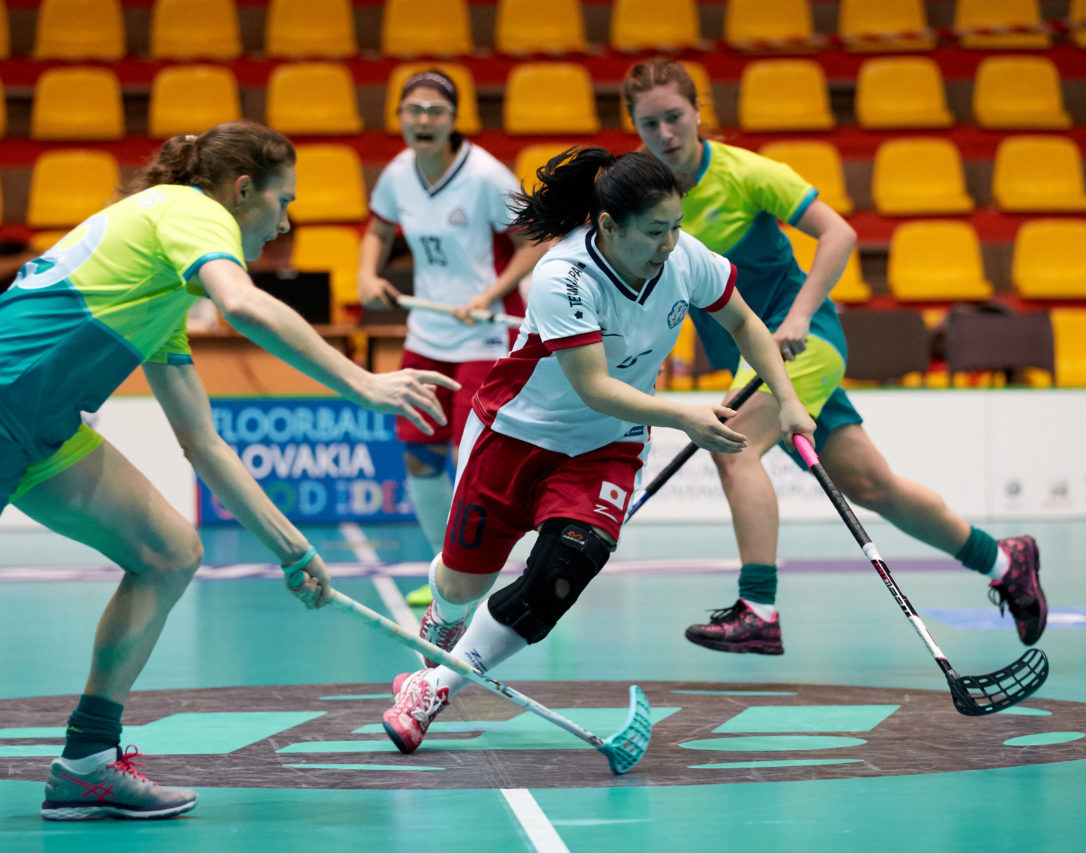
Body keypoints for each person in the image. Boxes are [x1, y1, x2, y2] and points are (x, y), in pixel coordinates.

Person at [0, 121, 460, 819]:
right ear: (243, 190)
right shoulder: (188, 208)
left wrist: (293, 550)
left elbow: (203, 443)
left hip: (40, 427)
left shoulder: (162, 288)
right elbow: (241, 303)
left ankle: (87, 761)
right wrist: (363, 383)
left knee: (167, 552)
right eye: (283, 202)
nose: (286, 224)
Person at [380, 146, 816, 752]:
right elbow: (595, 387)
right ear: (609, 225)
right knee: (460, 588)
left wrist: (788, 399)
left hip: (605, 447)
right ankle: (444, 621)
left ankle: (431, 689)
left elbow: (744, 323)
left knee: (560, 577)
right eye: (655, 231)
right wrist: (684, 417)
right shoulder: (562, 275)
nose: (670, 244)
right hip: (514, 436)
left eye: (676, 226)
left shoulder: (685, 258)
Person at [621, 58, 1047, 655]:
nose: (666, 134)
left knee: (732, 445)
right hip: (752, 355)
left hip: (800, 341)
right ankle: (1004, 561)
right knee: (873, 485)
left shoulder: (747, 174)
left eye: (675, 116)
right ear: (635, 127)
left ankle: (758, 608)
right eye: (650, 124)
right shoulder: (644, 196)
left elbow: (839, 233)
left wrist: (799, 314)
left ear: (697, 112)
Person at [357, 69, 550, 606]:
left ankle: (501, 569)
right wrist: (367, 274)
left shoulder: (486, 176)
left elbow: (534, 242)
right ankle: (445, 569)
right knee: (419, 456)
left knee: (477, 462)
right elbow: (377, 230)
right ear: (399, 117)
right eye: (414, 110)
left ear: (453, 119)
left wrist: (491, 294)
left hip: (485, 334)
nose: (424, 120)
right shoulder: (398, 174)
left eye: (435, 111)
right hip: (427, 335)